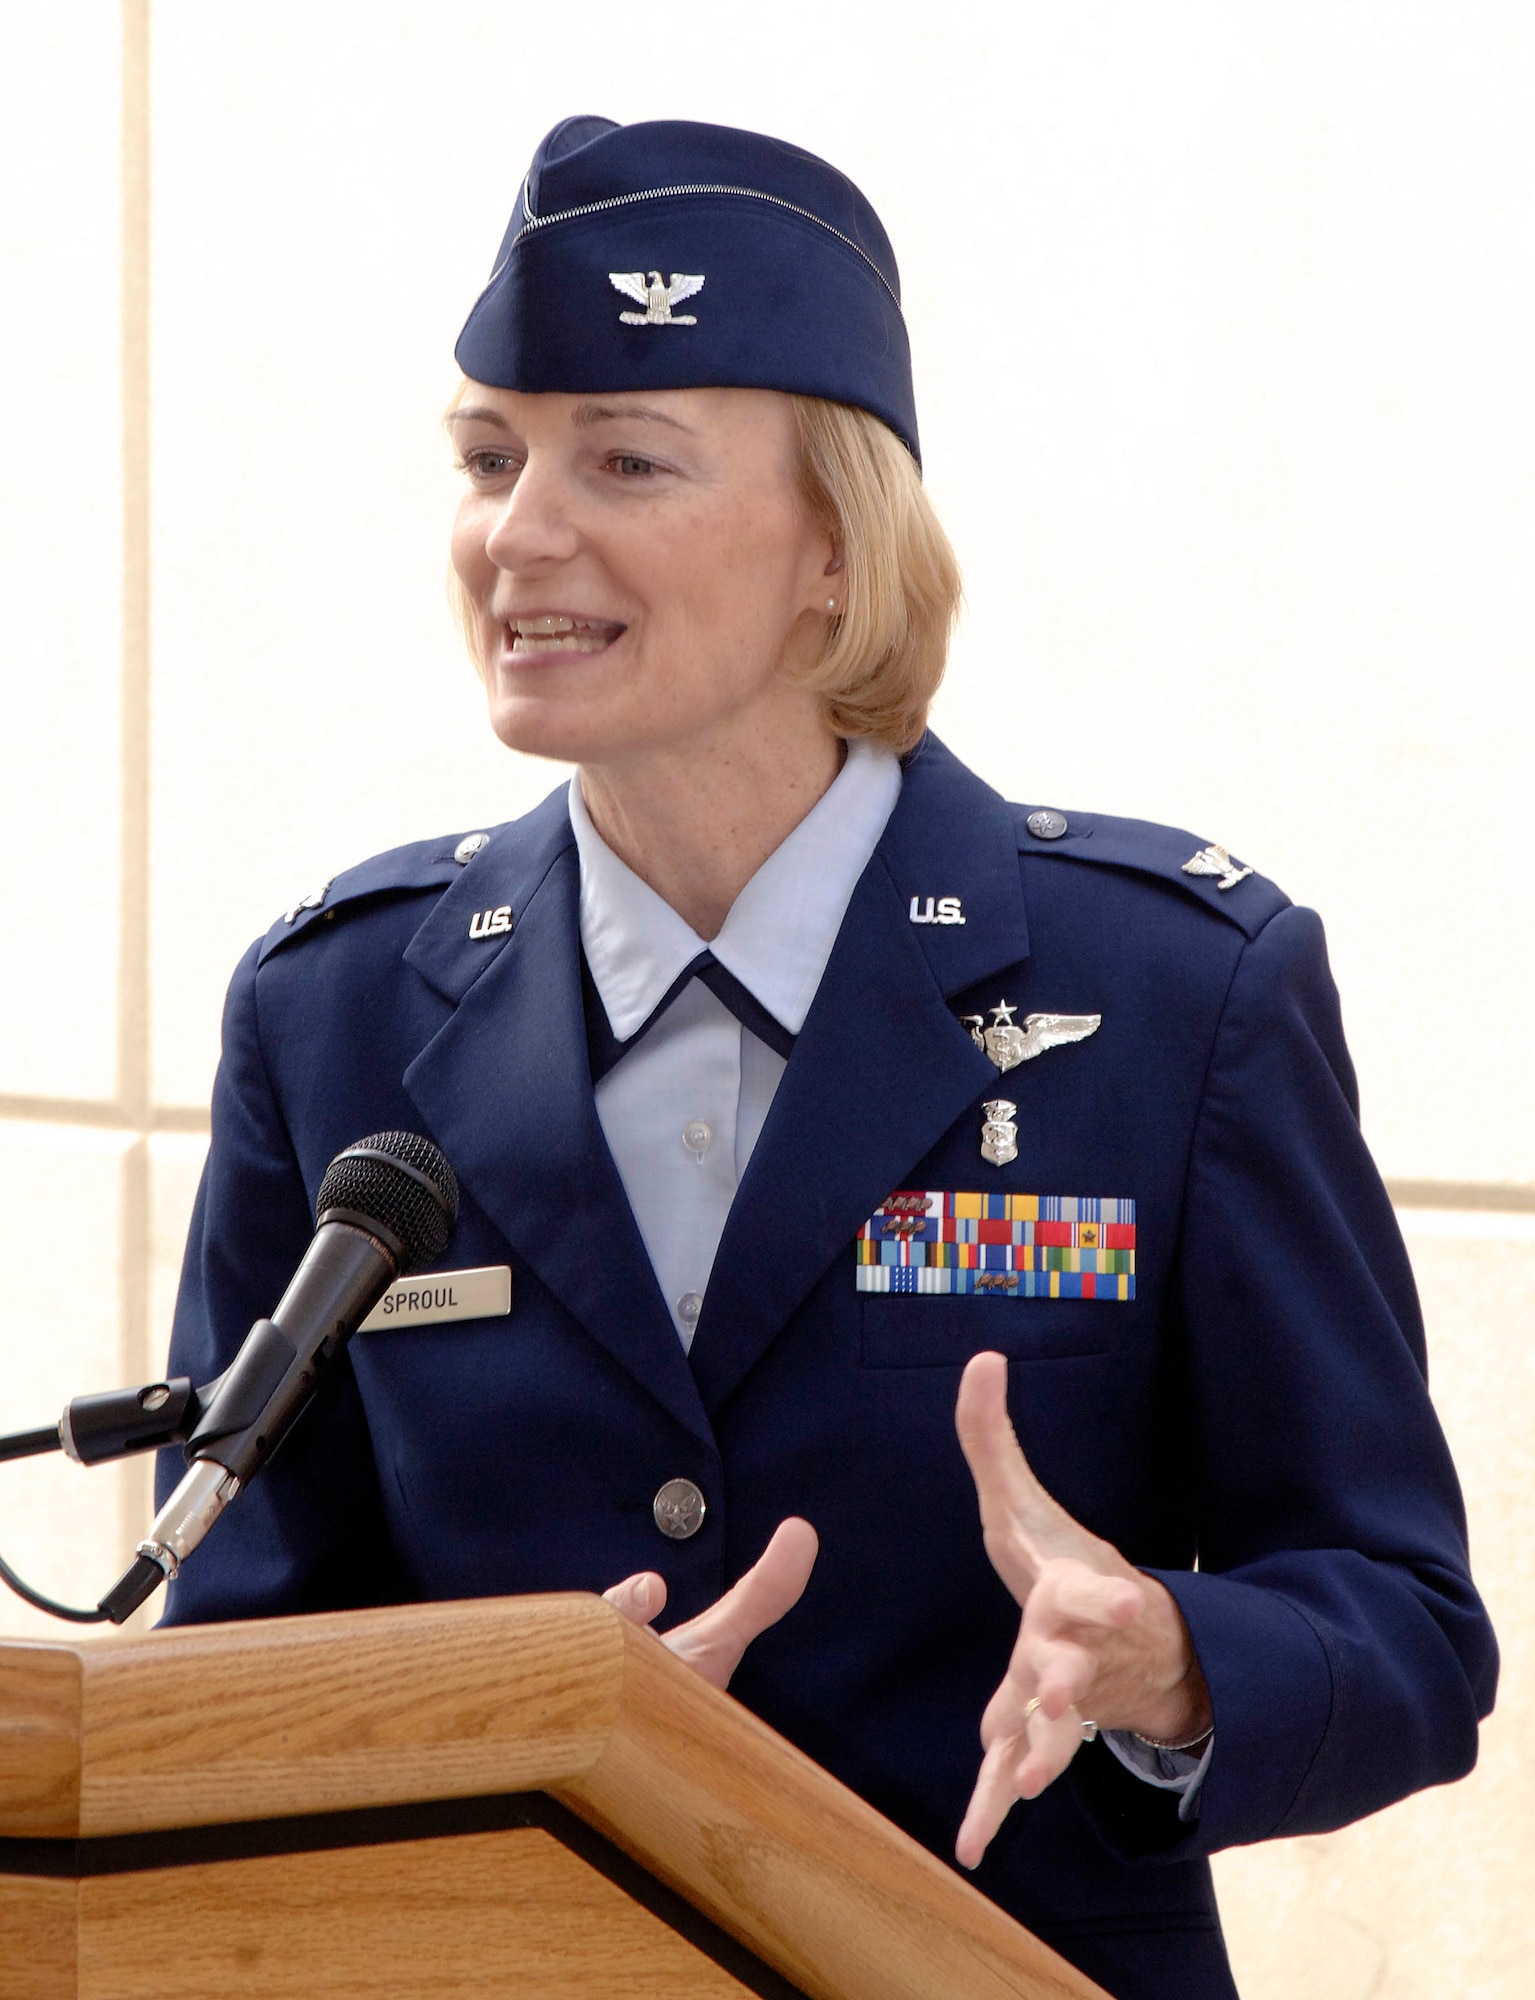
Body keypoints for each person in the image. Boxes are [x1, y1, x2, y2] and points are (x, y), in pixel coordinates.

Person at [156, 115, 1498, 2000]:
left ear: (831, 549)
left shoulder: (1182, 990)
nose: (520, 532)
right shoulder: (337, 1012)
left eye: (625, 460)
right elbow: (229, 1662)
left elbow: (1410, 1639)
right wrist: (499, 1724)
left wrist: (1172, 1660)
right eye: (488, 458)